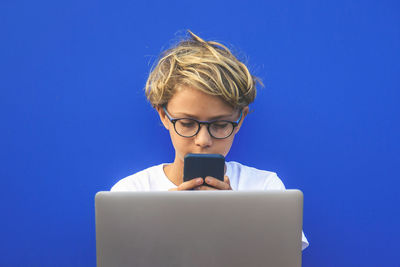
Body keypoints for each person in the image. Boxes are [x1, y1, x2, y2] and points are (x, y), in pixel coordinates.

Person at [111, 30, 309, 250]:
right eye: (187, 123)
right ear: (163, 116)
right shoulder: (130, 193)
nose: (203, 140)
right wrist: (163, 224)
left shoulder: (265, 189)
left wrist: (237, 220)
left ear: (240, 119)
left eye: (220, 125)